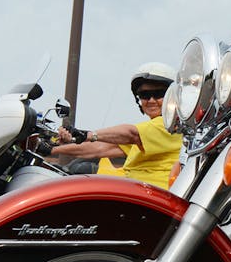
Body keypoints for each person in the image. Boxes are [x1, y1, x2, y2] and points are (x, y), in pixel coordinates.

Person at [51, 62, 182, 187]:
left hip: (152, 199)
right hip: (138, 192)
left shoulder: (170, 125)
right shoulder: (150, 134)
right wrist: (52, 148)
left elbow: (131, 133)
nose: (151, 100)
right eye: (145, 95)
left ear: (172, 96)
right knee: (73, 171)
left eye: (159, 94)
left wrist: (87, 134)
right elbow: (101, 148)